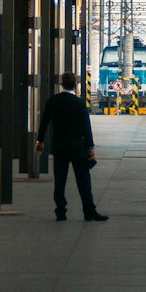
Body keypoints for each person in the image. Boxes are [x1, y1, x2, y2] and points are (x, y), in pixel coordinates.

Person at [35, 71, 107, 222]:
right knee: (83, 180)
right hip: (77, 147)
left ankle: (60, 212)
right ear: (75, 85)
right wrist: (91, 147)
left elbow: (44, 122)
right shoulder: (79, 103)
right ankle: (89, 211)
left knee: (60, 180)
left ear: (62, 84)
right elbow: (86, 127)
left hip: (59, 146)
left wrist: (39, 141)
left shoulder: (53, 101)